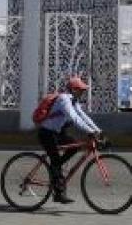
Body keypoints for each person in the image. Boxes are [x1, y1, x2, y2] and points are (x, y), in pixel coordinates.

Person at [36, 75, 101, 204]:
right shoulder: (64, 100)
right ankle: (58, 190)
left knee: (75, 146)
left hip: (57, 133)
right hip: (46, 133)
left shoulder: (73, 101)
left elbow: (83, 116)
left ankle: (56, 169)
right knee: (55, 160)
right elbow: (74, 118)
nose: (82, 92)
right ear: (73, 89)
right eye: (81, 90)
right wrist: (90, 131)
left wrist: (98, 130)